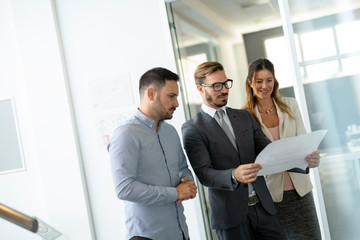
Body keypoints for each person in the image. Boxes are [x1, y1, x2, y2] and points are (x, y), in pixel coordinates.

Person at [182, 61, 288, 240]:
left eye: (225, 83)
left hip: (264, 208)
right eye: (216, 86)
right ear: (200, 88)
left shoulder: (244, 116)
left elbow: (268, 150)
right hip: (230, 217)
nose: (224, 90)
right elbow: (204, 174)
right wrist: (233, 175)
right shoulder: (193, 129)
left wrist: (299, 156)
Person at [108, 67, 197, 240]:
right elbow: (124, 188)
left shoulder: (170, 132)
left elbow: (182, 168)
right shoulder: (126, 134)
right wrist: (176, 193)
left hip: (180, 232)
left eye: (176, 97)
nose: (176, 103)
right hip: (147, 235)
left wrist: (188, 182)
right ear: (151, 94)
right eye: (171, 96)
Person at [243, 58, 321, 239]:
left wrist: (312, 159)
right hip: (271, 196)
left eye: (269, 80)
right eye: (259, 81)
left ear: (275, 81)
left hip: (301, 191)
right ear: (250, 83)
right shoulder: (245, 115)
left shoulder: (290, 105)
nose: (264, 85)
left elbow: (303, 143)